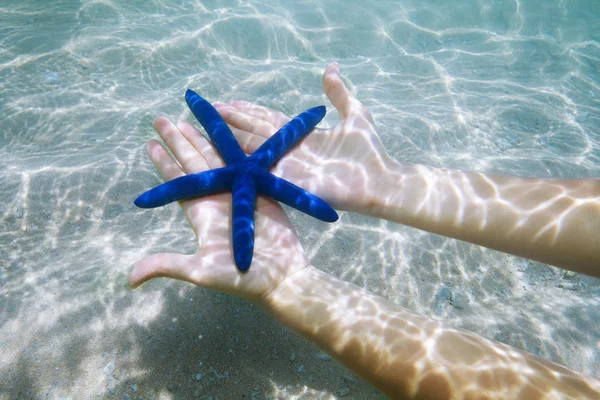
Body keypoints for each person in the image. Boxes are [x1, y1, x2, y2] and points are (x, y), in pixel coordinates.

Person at [129, 63, 600, 398]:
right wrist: (387, 184)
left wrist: (293, 286)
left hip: (257, 187)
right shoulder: (259, 171)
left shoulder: (250, 171)